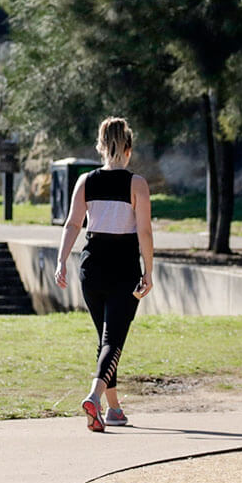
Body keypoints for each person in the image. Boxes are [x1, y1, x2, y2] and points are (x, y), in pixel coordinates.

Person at [53, 117, 154, 432]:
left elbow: (72, 224)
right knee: (114, 339)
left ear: (100, 146)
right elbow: (145, 232)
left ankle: (114, 409)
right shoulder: (137, 183)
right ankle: (94, 398)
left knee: (106, 340)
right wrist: (149, 271)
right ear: (128, 148)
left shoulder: (86, 181)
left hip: (91, 265)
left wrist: (61, 261)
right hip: (123, 266)